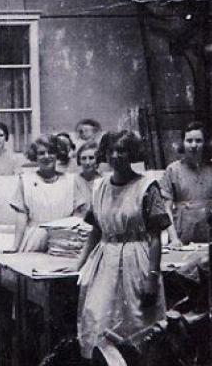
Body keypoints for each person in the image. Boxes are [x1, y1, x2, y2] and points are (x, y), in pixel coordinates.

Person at [75, 130, 170, 360]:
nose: (116, 156)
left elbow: (155, 236)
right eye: (111, 151)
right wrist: (78, 265)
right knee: (98, 318)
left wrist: (152, 277)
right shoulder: (99, 187)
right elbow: (96, 230)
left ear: (132, 153)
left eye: (122, 150)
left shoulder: (147, 187)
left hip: (137, 260)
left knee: (138, 324)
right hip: (104, 262)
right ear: (104, 154)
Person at [9, 134, 85, 252]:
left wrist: (73, 240)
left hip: (63, 240)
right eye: (41, 153)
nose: (46, 156)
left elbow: (78, 215)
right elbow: (21, 215)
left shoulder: (71, 181)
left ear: (57, 155)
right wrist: (15, 246)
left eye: (51, 152)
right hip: (34, 239)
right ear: (35, 156)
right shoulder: (25, 180)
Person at [160, 122, 212, 247]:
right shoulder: (173, 170)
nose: (193, 145)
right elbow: (166, 209)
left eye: (198, 141)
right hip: (182, 235)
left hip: (211, 235)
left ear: (205, 143)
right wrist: (174, 238)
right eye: (189, 140)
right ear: (183, 143)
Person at [74, 142, 102, 211]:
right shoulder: (74, 180)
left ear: (97, 160)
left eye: (91, 158)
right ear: (79, 161)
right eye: (83, 158)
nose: (87, 162)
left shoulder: (104, 181)